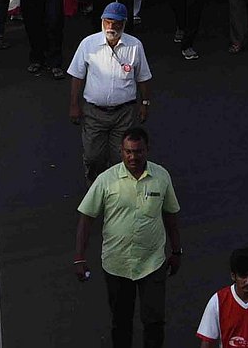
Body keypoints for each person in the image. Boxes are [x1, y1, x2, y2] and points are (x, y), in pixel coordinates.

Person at [74, 128, 181, 348]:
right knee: (121, 323)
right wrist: (79, 257)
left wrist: (177, 251)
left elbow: (170, 215)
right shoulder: (106, 180)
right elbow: (86, 218)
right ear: (121, 151)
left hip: (152, 263)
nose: (133, 157)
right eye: (128, 152)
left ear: (147, 150)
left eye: (138, 151)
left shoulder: (161, 176)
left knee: (154, 322)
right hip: (117, 264)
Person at [68, 3, 153, 181]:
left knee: (121, 159)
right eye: (107, 22)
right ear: (102, 21)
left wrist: (145, 104)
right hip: (94, 113)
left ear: (124, 23)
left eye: (116, 23)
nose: (111, 27)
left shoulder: (135, 46)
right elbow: (77, 76)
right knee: (93, 157)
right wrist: (74, 105)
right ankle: (95, 190)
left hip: (124, 114)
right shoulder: (88, 44)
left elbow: (143, 78)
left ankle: (117, 195)